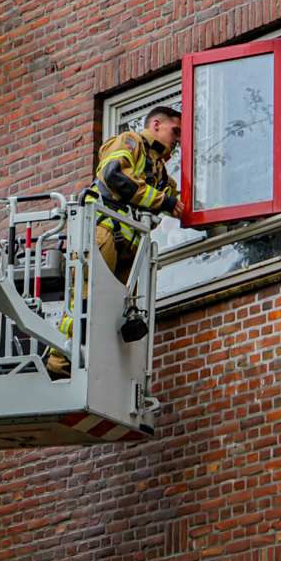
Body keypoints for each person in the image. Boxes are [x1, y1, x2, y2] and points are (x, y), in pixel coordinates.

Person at [46, 106, 184, 379]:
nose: (178, 139)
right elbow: (114, 176)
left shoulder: (160, 172)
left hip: (129, 251)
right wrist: (163, 201)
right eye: (175, 131)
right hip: (104, 233)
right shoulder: (130, 142)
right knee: (87, 299)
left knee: (117, 312)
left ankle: (94, 369)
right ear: (156, 125)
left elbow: (181, 205)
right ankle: (60, 366)